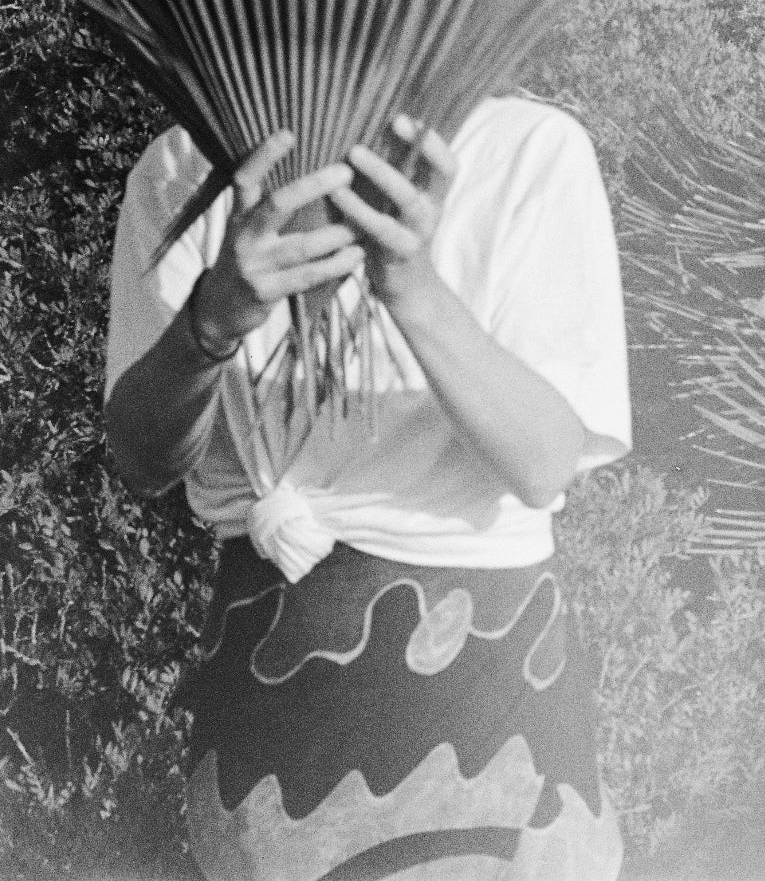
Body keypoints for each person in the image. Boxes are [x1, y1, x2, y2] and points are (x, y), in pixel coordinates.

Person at [104, 97, 630, 881]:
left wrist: (412, 287)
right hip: (266, 712)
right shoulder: (184, 166)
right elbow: (142, 457)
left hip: (488, 705)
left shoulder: (525, 148)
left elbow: (543, 460)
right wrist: (214, 319)